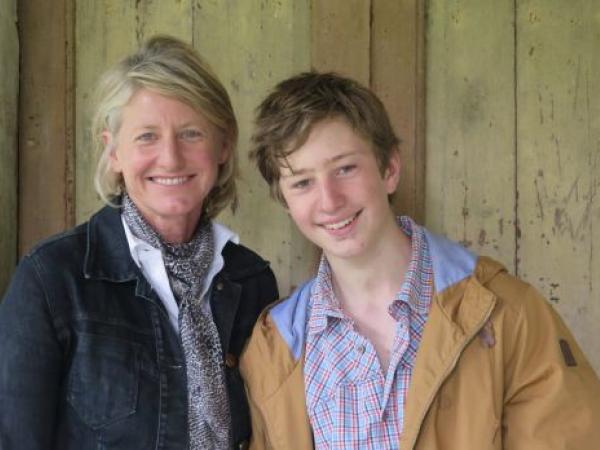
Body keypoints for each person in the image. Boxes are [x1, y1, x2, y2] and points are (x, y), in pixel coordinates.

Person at [240, 71, 600, 450]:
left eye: (345, 168)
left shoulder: (506, 314)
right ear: (285, 200)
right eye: (302, 182)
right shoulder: (275, 350)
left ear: (390, 170)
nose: (329, 200)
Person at [0, 35, 278, 450]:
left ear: (223, 146)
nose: (170, 158)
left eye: (190, 134)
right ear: (113, 152)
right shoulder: (52, 279)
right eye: (147, 136)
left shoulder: (251, 279)